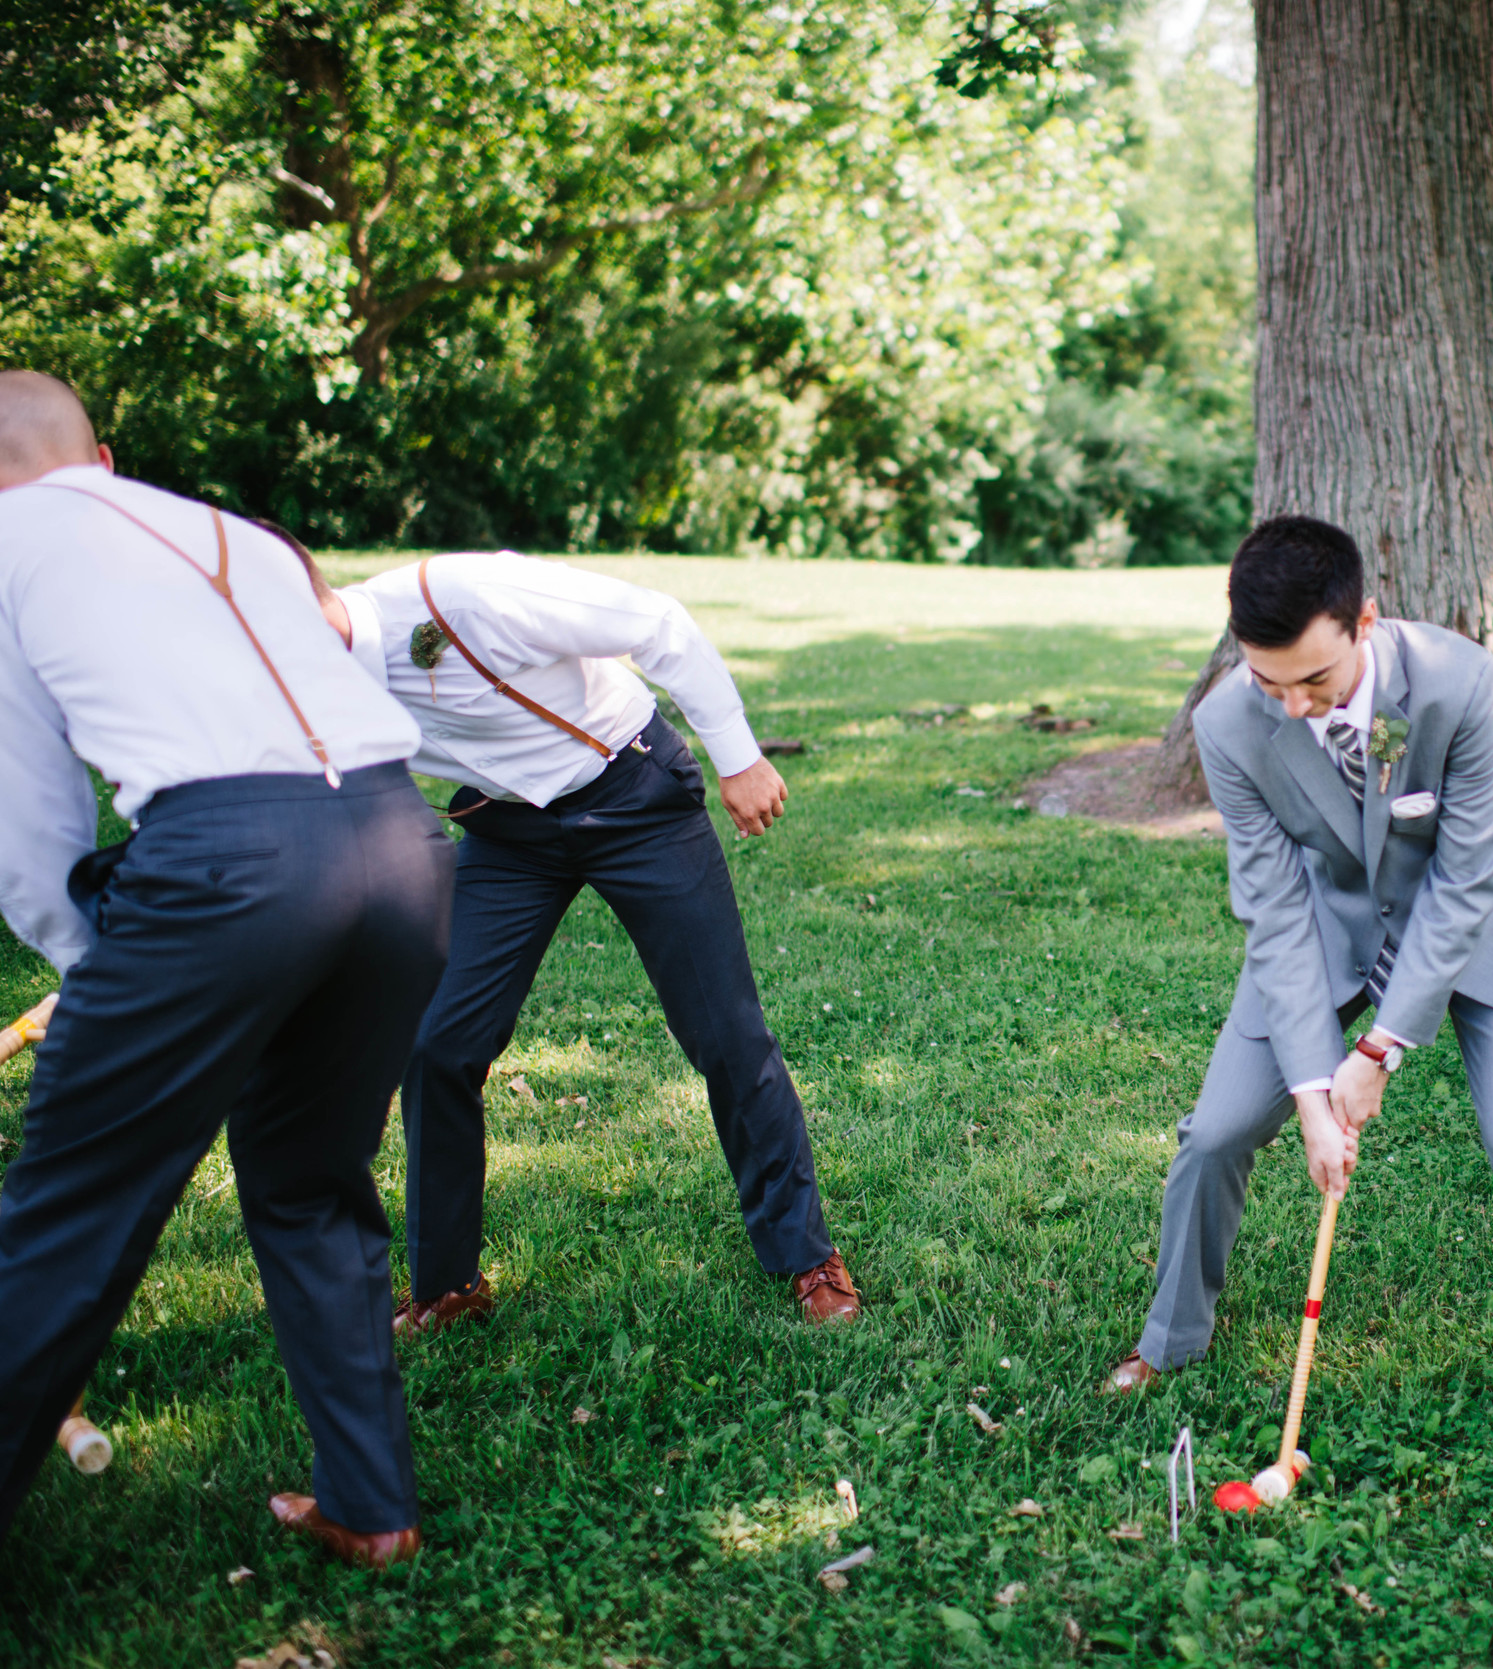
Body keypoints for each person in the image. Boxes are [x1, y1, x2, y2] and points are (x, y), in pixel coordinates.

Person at [0, 371, 449, 1566]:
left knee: (66, 1213)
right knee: (312, 1178)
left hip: (228, 860)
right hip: (403, 843)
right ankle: (371, 1500)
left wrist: (94, 974)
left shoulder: (6, 545)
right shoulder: (218, 530)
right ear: (96, 456)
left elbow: (32, 818)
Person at [1103, 516, 1493, 1480]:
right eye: (1272, 683)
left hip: (1482, 922)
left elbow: (1467, 877)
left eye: (1315, 680)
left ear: (1365, 619)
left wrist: (1378, 1051)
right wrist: (1314, 1091)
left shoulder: (1461, 682)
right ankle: (1172, 1335)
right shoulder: (1231, 722)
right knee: (1217, 1129)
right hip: (1329, 925)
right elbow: (1272, 909)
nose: (1296, 707)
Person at [290, 544, 859, 1332]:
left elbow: (658, 623)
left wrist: (740, 758)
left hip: (631, 790)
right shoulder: (291, 688)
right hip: (508, 830)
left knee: (724, 1031)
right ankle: (449, 1282)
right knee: (437, 1040)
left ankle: (807, 1256)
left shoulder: (465, 594)